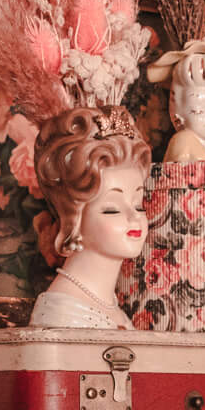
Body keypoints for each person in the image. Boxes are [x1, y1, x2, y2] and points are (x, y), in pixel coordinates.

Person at [29, 104, 150, 328]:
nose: (135, 218)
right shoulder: (65, 317)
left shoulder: (109, 306)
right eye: (112, 209)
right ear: (73, 217)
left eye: (139, 204)